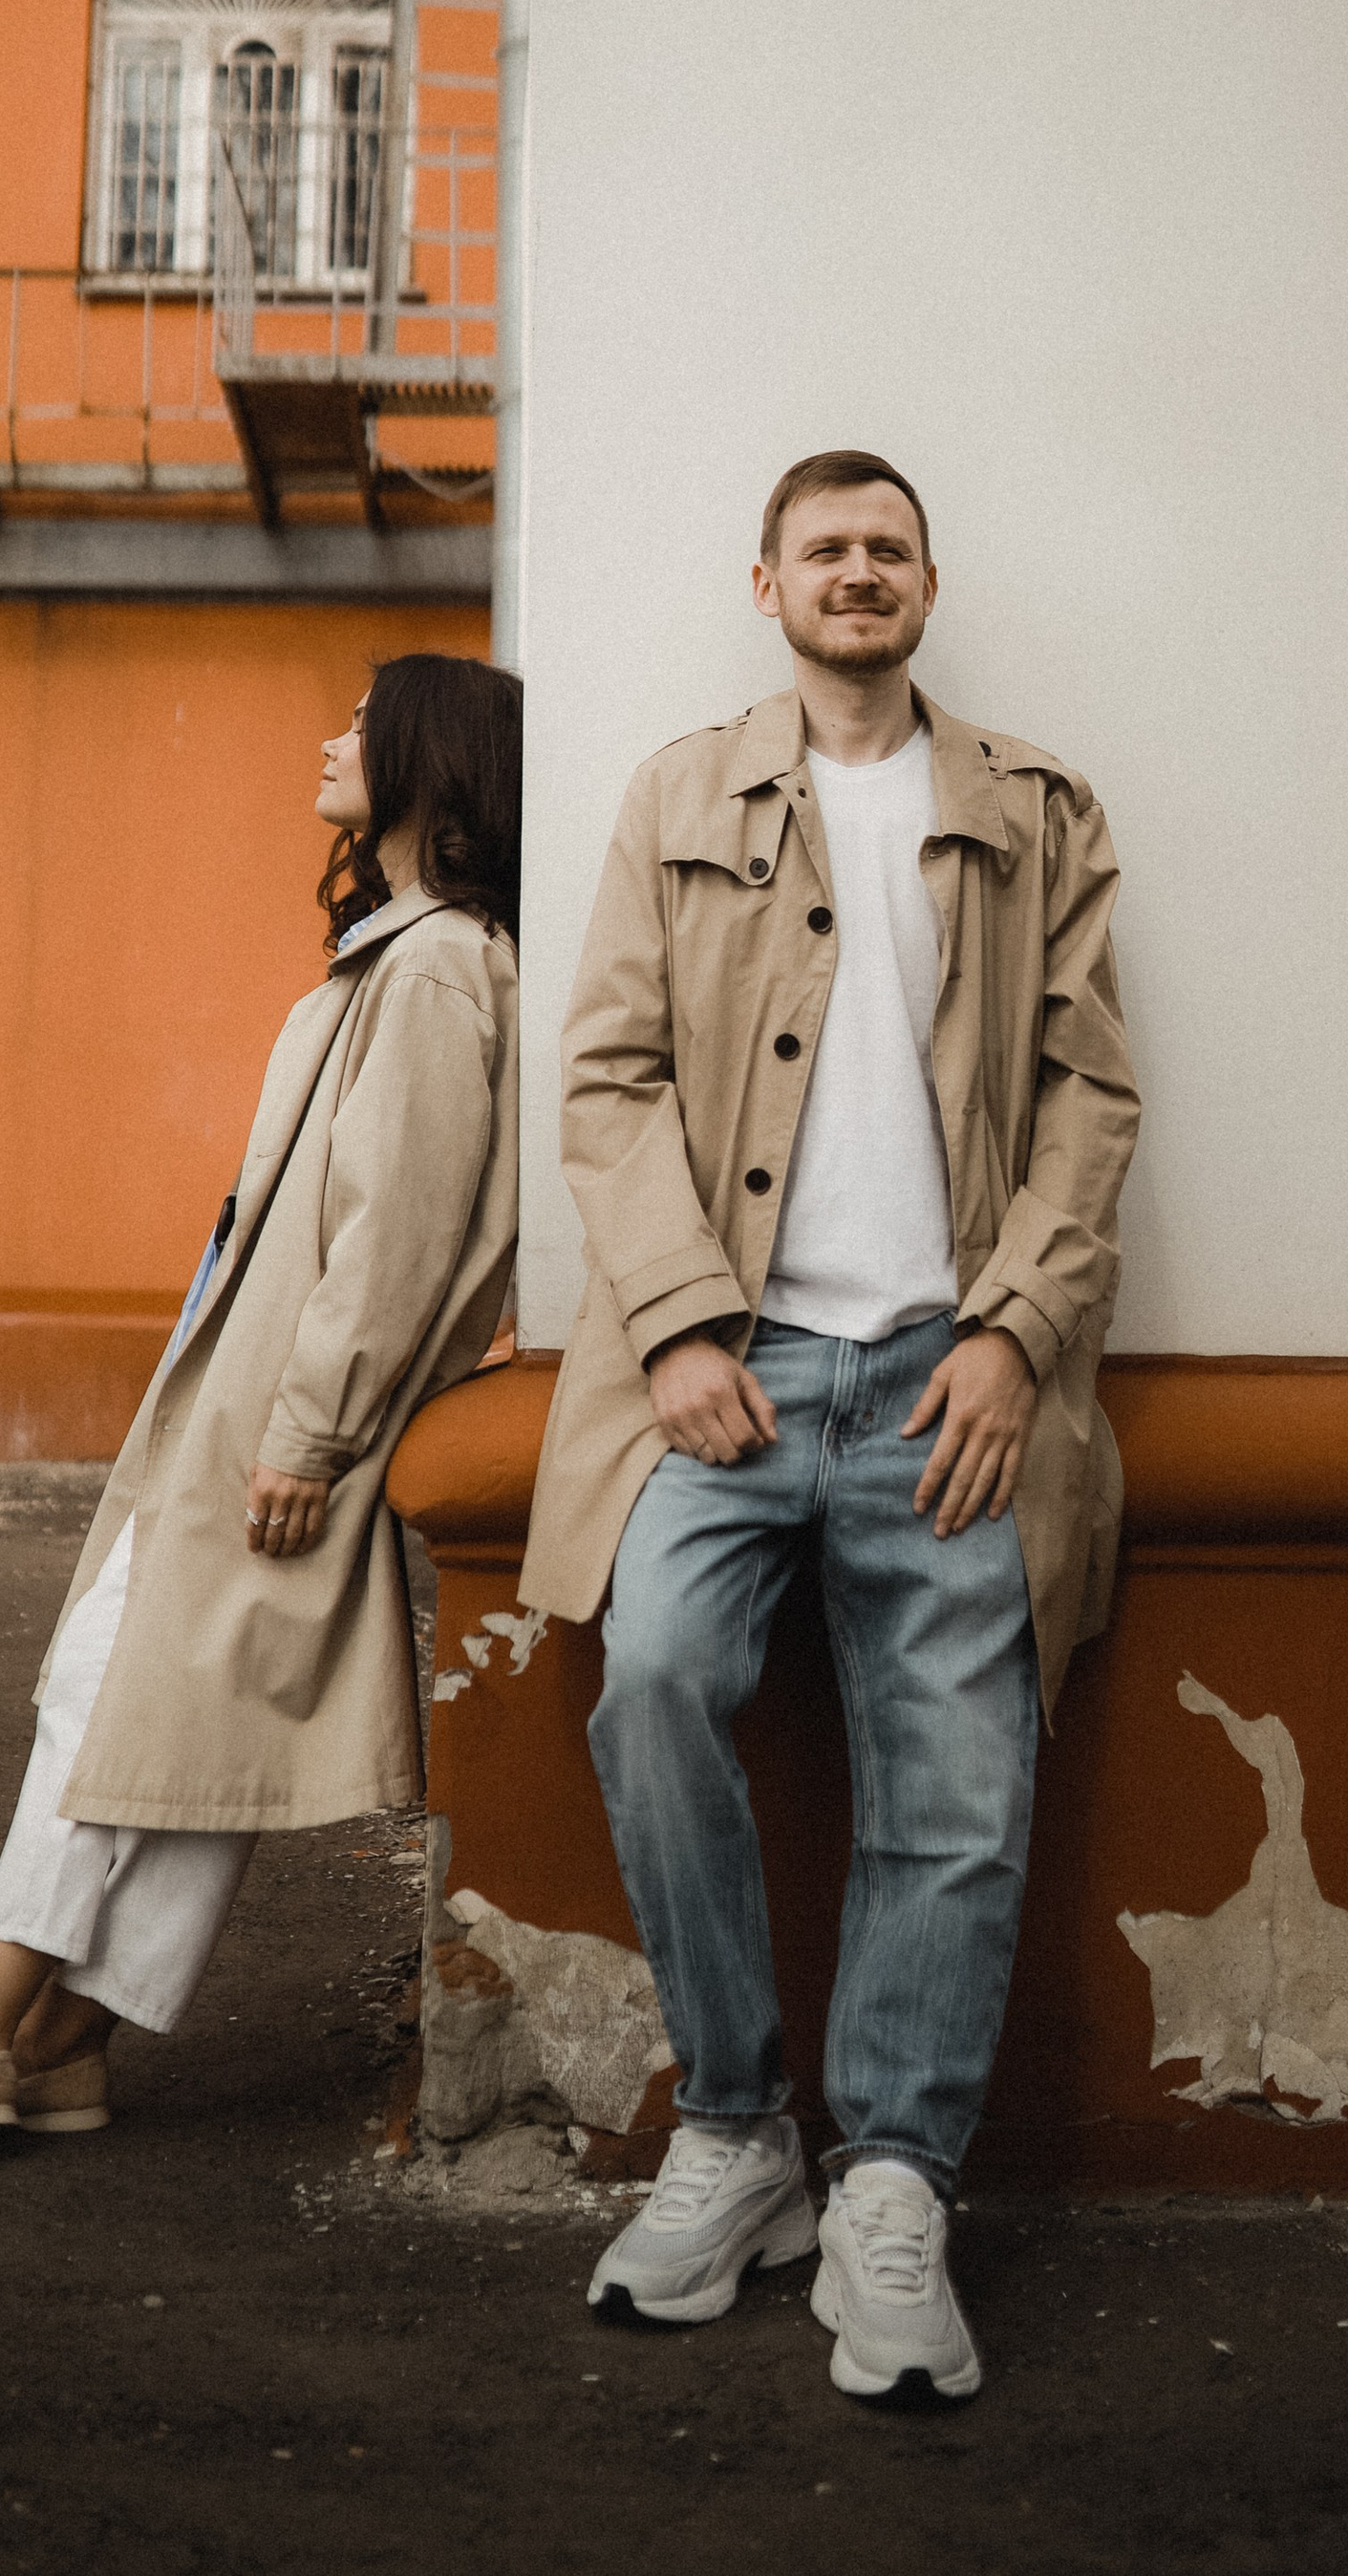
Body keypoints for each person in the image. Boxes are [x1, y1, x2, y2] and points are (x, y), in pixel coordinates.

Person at [518, 452, 1138, 2402]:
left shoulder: (1032, 811)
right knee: (656, 1679)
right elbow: (605, 1077)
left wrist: (1018, 1334)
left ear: (926, 582)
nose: (854, 574)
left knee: (953, 1779)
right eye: (822, 550)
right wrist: (687, 1320)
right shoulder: (675, 794)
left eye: (884, 549)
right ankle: (734, 2128)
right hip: (726, 1373)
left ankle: (891, 2188)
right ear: (764, 584)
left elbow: (1085, 1097)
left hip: (947, 1378)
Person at [0, 652, 522, 2147]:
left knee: (114, 1695)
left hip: (281, 1421)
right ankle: (60, 2043)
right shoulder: (412, 952)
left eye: (359, 723)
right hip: (268, 1407)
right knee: (190, 1724)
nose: (328, 738)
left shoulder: (434, 964)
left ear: (431, 764)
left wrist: (312, 1430)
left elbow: (398, 1232)